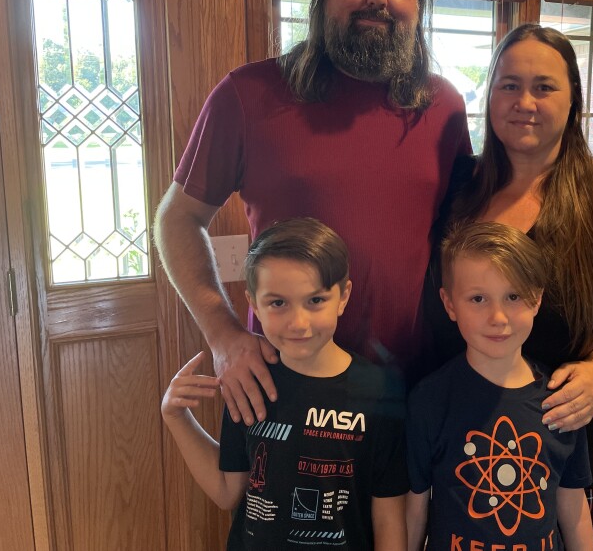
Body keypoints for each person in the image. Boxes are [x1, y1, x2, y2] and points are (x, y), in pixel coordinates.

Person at [154, 0, 471, 426]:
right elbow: (176, 218)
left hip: (414, 392)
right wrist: (224, 335)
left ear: (419, 0)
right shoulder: (248, 95)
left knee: (402, 514)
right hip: (283, 389)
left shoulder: (445, 108)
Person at [424, 24, 593, 548]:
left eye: (544, 87)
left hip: (578, 451)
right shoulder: (456, 190)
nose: (525, 101)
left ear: (573, 102)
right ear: (489, 96)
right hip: (464, 442)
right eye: (508, 85)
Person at [161, 217, 408, 550]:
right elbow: (226, 490)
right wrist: (177, 418)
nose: (298, 322)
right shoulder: (248, 381)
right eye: (278, 303)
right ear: (254, 304)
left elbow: (388, 516)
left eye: (315, 301)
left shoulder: (379, 392)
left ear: (343, 296)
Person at [407, 222, 593, 551]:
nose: (498, 317)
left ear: (537, 299)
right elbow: (415, 508)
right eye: (478, 298)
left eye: (513, 296)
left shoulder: (561, 397)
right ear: (450, 305)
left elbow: (573, 504)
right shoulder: (430, 400)